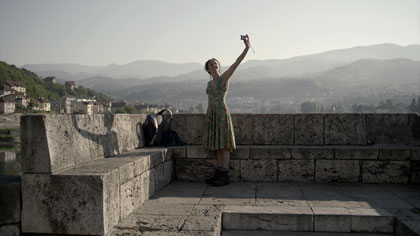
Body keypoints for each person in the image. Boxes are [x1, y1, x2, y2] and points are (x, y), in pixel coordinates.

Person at [203, 35, 250, 186]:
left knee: (223, 145)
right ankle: (219, 172)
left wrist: (247, 47)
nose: (214, 64)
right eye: (211, 64)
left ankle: (224, 174)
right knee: (216, 145)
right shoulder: (209, 84)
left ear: (219, 66)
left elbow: (237, 63)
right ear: (208, 69)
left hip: (222, 113)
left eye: (216, 62)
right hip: (212, 114)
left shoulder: (224, 78)